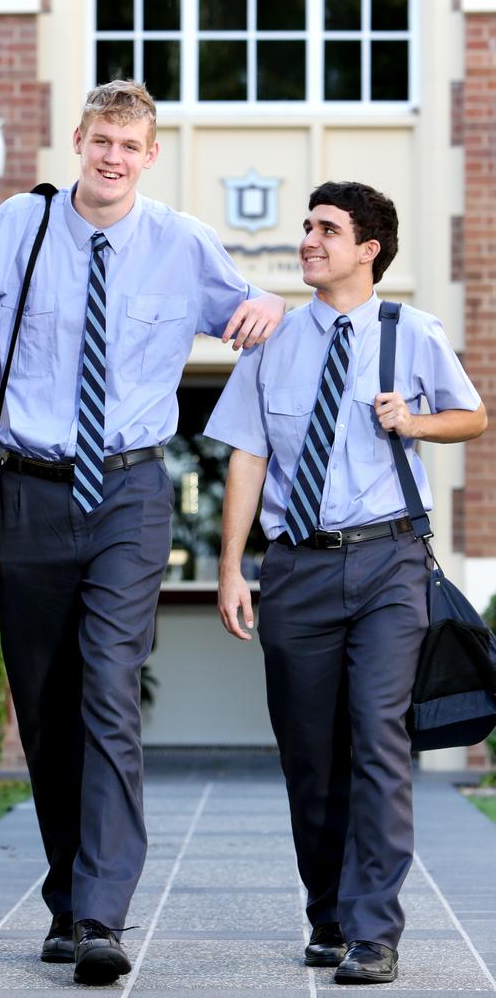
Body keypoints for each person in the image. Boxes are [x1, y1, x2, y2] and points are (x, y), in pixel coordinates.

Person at [0, 80, 287, 986]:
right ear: (78, 140)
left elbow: (249, 315)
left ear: (149, 156)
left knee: (108, 688)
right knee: (45, 702)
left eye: (128, 146)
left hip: (131, 494)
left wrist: (273, 309)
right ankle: (68, 894)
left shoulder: (183, 244)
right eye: (100, 139)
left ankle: (102, 914)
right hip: (26, 489)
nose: (112, 157)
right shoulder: (12, 230)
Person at [204, 181, 487, 985]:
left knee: (378, 743)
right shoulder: (275, 343)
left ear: (369, 249)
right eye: (306, 227)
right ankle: (326, 914)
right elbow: (247, 457)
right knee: (310, 754)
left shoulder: (412, 333)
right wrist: (231, 567)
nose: (308, 241)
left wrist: (414, 420)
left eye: (327, 230)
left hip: (391, 561)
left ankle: (374, 931)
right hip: (297, 568)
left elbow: (471, 415)